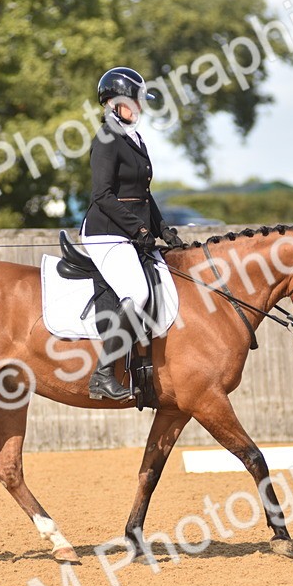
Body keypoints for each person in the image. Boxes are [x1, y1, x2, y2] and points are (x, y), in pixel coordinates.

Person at [80, 66, 183, 401]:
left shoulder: (134, 139)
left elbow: (143, 193)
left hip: (128, 232)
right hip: (106, 233)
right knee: (137, 292)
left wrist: (163, 229)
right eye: (134, 101)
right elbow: (102, 196)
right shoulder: (107, 138)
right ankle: (102, 374)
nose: (139, 107)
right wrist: (138, 229)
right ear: (113, 103)